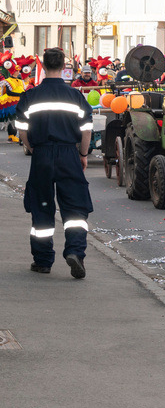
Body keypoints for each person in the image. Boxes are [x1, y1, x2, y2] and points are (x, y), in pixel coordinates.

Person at [13, 47, 94, 279]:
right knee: (75, 207)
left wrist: (31, 147)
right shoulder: (75, 96)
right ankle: (76, 252)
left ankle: (43, 261)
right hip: (69, 154)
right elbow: (86, 129)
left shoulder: (30, 95)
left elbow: (22, 129)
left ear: (44, 66)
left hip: (42, 154)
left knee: (41, 205)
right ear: (63, 67)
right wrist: (83, 154)